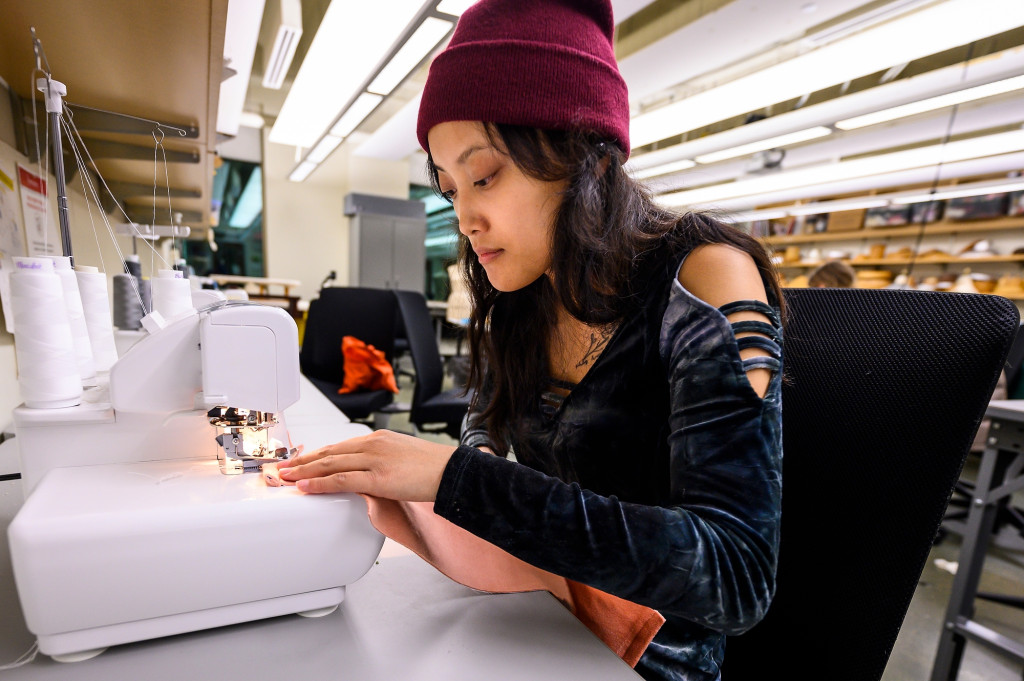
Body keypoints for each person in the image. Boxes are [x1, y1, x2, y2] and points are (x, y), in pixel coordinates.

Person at [275, 1, 784, 679]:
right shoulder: (526, 293)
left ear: (587, 164)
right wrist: (460, 478)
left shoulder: (704, 277)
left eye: (484, 176)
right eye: (450, 188)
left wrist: (464, 482)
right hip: (532, 619)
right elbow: (484, 431)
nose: (466, 216)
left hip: (644, 663)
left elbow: (736, 575)